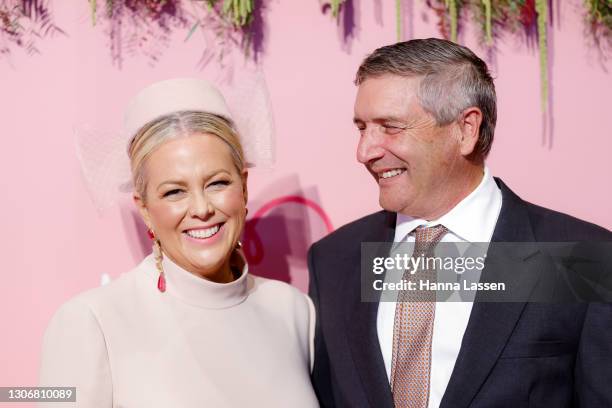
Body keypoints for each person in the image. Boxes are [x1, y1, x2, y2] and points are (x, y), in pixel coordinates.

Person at [308, 38, 612, 408]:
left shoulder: (579, 258)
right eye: (361, 128)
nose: (364, 152)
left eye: (390, 127)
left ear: (466, 129)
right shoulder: (334, 260)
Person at [39, 78, 319, 407]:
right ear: (144, 208)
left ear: (243, 187)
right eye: (174, 191)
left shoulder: (294, 310)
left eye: (217, 183)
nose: (201, 209)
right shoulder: (91, 321)